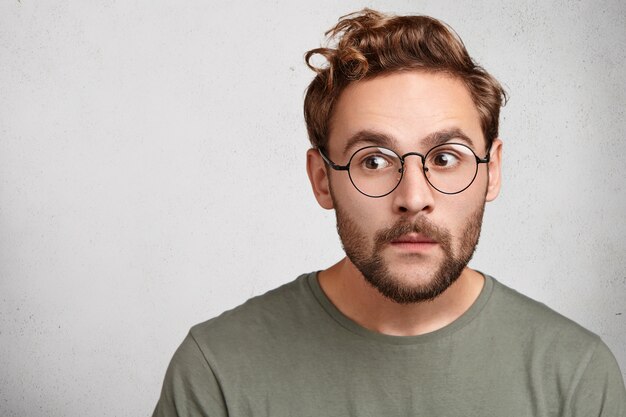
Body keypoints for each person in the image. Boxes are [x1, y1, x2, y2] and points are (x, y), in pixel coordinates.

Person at [152, 9, 626, 416]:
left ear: (492, 171)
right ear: (322, 179)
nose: (413, 196)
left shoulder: (576, 376)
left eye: (445, 157)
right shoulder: (216, 370)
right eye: (374, 161)